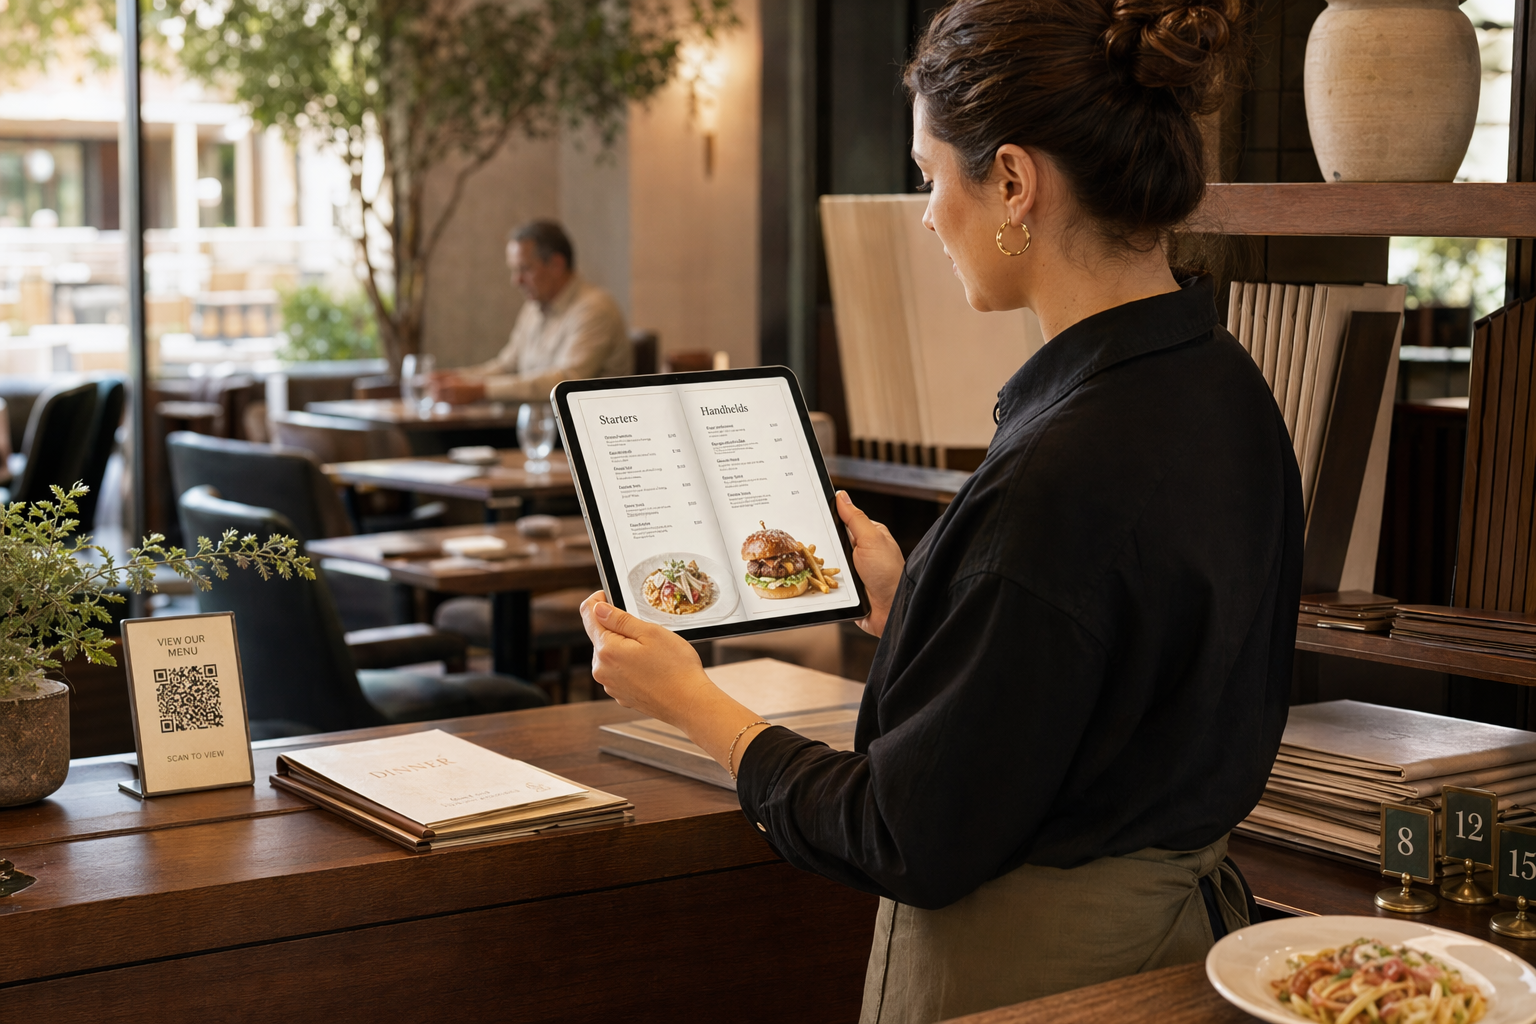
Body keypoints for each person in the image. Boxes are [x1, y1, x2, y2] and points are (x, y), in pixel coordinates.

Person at [579, 0, 1300, 1020]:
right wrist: (924, 603)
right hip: (1180, 959)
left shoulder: (1061, 467)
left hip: (1041, 982)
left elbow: (902, 832)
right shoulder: (1227, 386)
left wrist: (691, 702)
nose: (926, 216)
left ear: (1012, 181)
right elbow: (1102, 679)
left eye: (929, 176)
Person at [431, 220, 631, 404]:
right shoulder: (534, 306)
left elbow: (565, 382)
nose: (516, 281)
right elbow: (508, 366)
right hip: (538, 422)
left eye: (524, 269)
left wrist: (481, 391)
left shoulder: (595, 308)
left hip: (583, 428)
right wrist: (456, 379)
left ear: (556, 265)